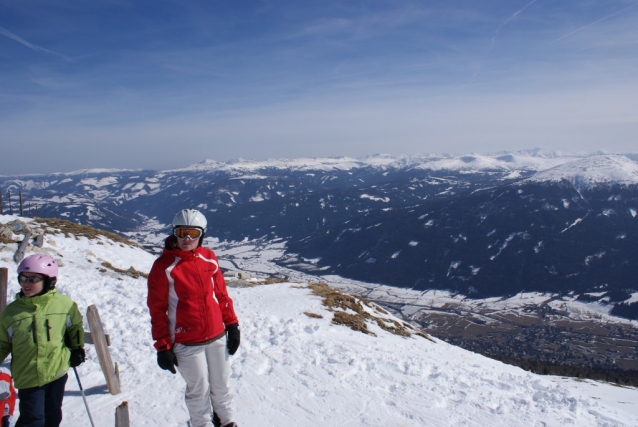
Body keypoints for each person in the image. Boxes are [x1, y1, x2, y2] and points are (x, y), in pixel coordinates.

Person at [147, 209, 240, 427]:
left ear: (202, 235)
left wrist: (232, 324)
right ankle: (201, 424)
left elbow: (222, 295)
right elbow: (157, 310)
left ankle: (226, 421)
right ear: (174, 233)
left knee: (222, 384)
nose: (187, 239)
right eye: (182, 233)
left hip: (216, 335)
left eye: (193, 233)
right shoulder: (163, 267)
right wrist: (162, 347)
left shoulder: (209, 258)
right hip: (186, 341)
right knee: (199, 389)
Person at [0, 254, 85, 427]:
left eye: (32, 278)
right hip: (28, 375)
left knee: (52, 417)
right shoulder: (12, 313)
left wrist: (77, 349)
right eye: (22, 277)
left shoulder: (64, 305)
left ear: (49, 281)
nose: (26, 283)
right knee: (34, 421)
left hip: (56, 371)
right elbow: (2, 343)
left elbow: (74, 327)